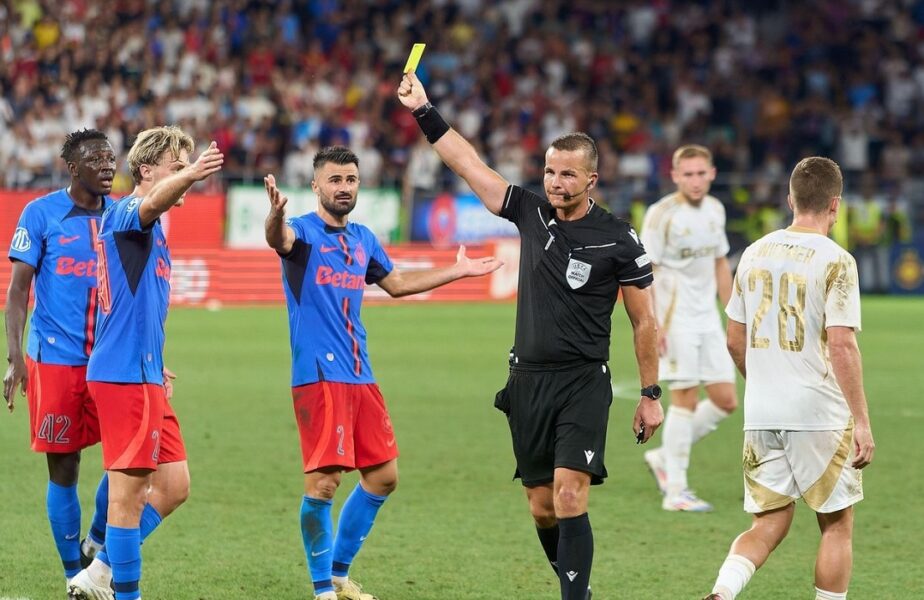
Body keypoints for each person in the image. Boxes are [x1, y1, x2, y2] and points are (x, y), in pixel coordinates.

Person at [397, 73, 663, 600]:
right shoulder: (529, 211)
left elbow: (645, 322)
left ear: (592, 179)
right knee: (542, 506)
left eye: (567, 174)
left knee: (569, 495)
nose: (555, 182)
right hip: (527, 381)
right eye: (548, 170)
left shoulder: (618, 238)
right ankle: (578, 588)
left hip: (583, 381)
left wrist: (651, 394)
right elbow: (468, 163)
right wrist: (423, 109)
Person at [263, 146, 502, 600]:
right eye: (334, 180)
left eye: (351, 179)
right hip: (319, 375)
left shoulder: (363, 239)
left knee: (383, 476)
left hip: (360, 374)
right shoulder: (302, 233)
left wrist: (457, 271)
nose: (344, 187)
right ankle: (322, 591)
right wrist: (275, 216)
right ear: (316, 185)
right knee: (326, 482)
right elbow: (279, 240)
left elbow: (395, 284)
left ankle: (337, 573)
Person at [703, 157, 875, 600]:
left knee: (768, 522)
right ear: (835, 205)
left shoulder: (754, 251)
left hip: (762, 413)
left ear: (790, 199)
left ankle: (723, 592)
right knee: (836, 525)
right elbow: (842, 345)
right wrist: (861, 420)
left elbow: (734, 340)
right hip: (818, 412)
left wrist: (760, 383)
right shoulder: (837, 260)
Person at [70, 126, 223, 600]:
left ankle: (99, 572)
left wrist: (156, 361)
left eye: (186, 167)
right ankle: (122, 592)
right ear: (146, 171)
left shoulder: (150, 232)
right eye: (175, 167)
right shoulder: (126, 213)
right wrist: (192, 175)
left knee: (174, 484)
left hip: (143, 371)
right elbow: (151, 203)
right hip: (123, 377)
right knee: (128, 498)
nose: (184, 177)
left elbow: (129, 308)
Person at [4, 129, 114, 592]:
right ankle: (74, 575)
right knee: (64, 468)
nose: (108, 164)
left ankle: (96, 539)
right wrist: (15, 357)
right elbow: (17, 291)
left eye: (111, 157)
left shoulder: (126, 214)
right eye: (96, 158)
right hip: (56, 362)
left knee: (131, 463)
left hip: (113, 362)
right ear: (73, 166)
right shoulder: (40, 213)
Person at [639, 145, 738, 512]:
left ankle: (665, 456)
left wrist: (733, 314)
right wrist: (650, 324)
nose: (695, 181)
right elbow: (643, 274)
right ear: (675, 176)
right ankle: (676, 491)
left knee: (726, 400)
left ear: (712, 174)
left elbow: (719, 264)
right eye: (688, 174)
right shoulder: (661, 214)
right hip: (673, 318)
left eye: (702, 173)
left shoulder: (716, 210)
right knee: (685, 399)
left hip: (707, 317)